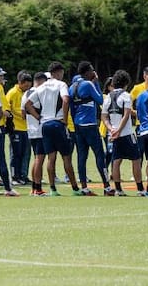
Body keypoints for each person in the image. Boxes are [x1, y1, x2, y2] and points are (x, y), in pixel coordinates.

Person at [37, 62, 83, 196]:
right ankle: (75, 188)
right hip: (57, 123)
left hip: (45, 124)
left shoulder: (42, 86)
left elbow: (28, 103)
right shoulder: (61, 84)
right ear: (58, 72)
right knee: (66, 157)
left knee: (51, 158)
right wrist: (64, 117)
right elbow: (65, 99)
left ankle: (53, 189)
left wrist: (38, 117)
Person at [69, 62, 109, 194]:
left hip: (78, 125)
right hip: (90, 124)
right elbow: (100, 100)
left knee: (82, 156)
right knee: (99, 154)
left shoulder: (72, 87)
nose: (94, 72)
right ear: (87, 72)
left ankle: (84, 188)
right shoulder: (88, 84)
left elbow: (72, 108)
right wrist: (96, 82)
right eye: (92, 70)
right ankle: (107, 186)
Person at [102, 69, 138, 196]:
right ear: (126, 83)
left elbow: (104, 116)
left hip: (113, 133)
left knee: (116, 160)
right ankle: (140, 189)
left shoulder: (108, 97)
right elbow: (127, 115)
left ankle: (118, 189)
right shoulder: (126, 95)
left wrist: (111, 129)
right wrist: (119, 130)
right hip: (126, 133)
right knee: (136, 159)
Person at [4, 71, 32, 187]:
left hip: (27, 128)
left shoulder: (29, 93)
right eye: (26, 85)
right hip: (16, 128)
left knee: (26, 153)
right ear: (20, 83)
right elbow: (7, 109)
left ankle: (23, 176)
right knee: (16, 153)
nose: (27, 88)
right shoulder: (12, 93)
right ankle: (15, 177)